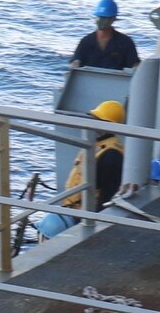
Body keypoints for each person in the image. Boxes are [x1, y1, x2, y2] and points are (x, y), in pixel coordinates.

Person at [39, 100, 126, 239]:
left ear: (109, 126)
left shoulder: (111, 155)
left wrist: (94, 222)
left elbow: (108, 193)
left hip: (84, 213)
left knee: (51, 228)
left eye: (98, 120)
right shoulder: (97, 144)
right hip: (75, 209)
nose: (93, 123)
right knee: (48, 225)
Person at [70, 0, 139, 70]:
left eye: (104, 18)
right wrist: (75, 65)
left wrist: (135, 68)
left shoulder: (125, 43)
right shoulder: (86, 42)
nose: (100, 21)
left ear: (113, 19)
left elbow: (135, 65)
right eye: (99, 17)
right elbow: (75, 62)